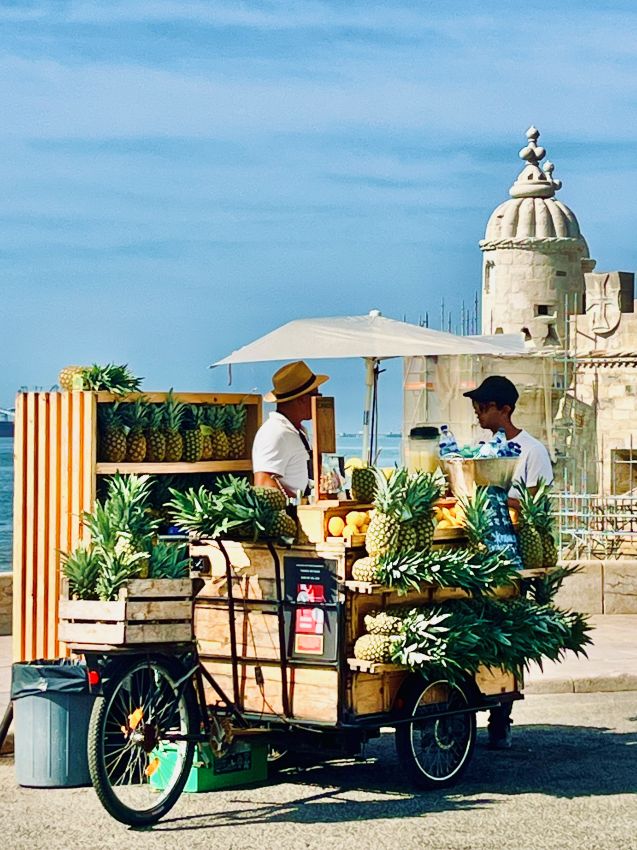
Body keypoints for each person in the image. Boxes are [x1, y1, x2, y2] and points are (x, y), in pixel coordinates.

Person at [463, 375, 553, 749]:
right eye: (477, 408)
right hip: (482, 554)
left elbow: (539, 505)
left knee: (507, 633)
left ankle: (502, 715)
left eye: (484, 407)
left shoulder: (532, 451)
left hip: (513, 554)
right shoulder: (483, 450)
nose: (479, 414)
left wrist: (498, 499)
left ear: (505, 409)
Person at [252, 360, 329, 498]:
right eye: (317, 395)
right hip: (290, 516)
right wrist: (295, 504)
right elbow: (263, 483)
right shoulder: (274, 433)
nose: (319, 400)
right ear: (302, 399)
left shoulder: (294, 430)